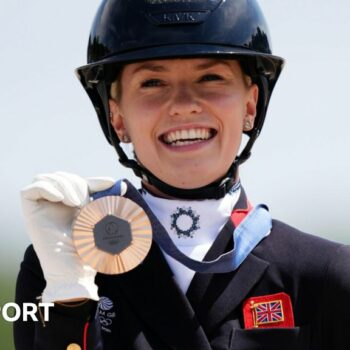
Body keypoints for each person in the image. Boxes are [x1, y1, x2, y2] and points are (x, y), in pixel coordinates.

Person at [14, 0, 350, 349]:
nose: (183, 103)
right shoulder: (54, 269)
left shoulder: (329, 275)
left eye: (211, 77)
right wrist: (69, 299)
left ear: (250, 106)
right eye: (153, 82)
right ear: (117, 117)